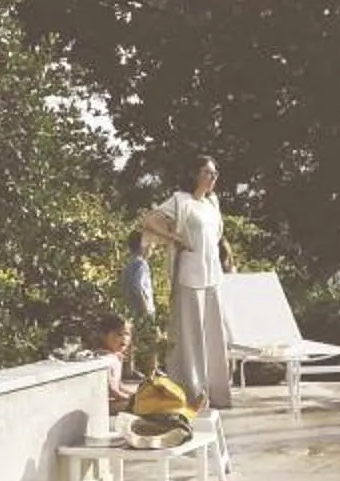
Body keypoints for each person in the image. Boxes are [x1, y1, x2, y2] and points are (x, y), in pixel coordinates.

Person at [138, 156, 233, 410]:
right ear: (195, 174)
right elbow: (148, 220)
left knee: (215, 335)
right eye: (208, 172)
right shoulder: (181, 200)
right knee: (190, 337)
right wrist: (174, 237)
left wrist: (228, 258)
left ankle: (217, 394)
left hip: (213, 276)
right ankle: (191, 393)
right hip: (189, 276)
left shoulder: (213, 202)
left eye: (215, 172)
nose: (213, 177)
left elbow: (218, 238)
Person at [89, 315, 140, 414]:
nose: (124, 338)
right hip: (103, 404)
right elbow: (111, 390)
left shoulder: (116, 357)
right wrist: (132, 399)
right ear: (104, 336)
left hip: (113, 401)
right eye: (119, 334)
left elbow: (118, 385)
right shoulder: (103, 359)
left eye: (127, 334)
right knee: (142, 406)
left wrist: (136, 394)